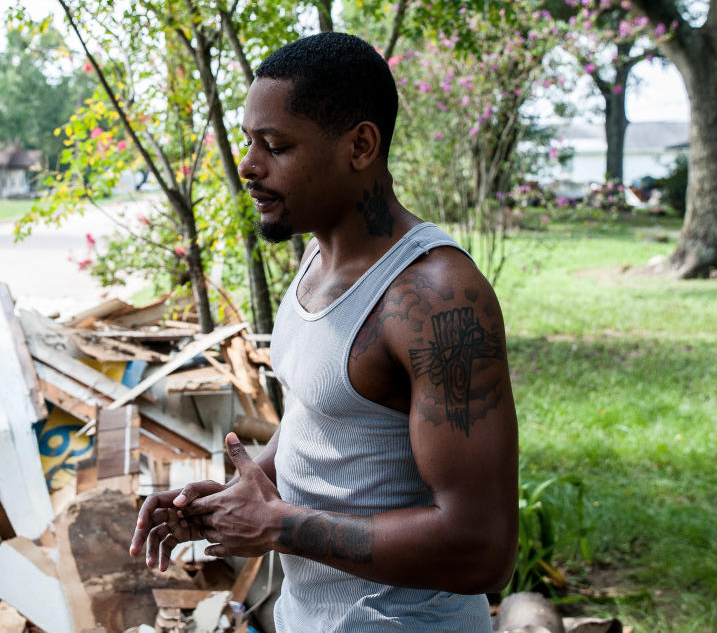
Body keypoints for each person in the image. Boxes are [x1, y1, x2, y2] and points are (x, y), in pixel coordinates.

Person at [129, 32, 518, 631]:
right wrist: (247, 491)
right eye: (250, 142)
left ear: (360, 144)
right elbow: (327, 416)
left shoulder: (436, 300)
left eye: (277, 146)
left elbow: (484, 549)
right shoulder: (316, 258)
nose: (249, 167)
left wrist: (279, 524)